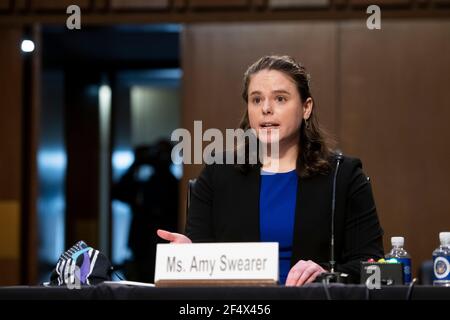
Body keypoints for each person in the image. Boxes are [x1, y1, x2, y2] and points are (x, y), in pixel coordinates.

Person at [157, 55, 384, 286]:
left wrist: (325, 274)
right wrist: (187, 257)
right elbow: (200, 258)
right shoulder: (218, 173)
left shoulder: (342, 175)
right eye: (256, 100)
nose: (266, 109)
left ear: (306, 108)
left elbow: (372, 264)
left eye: (280, 99)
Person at [113, 140, 178, 282]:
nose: (160, 158)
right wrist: (136, 164)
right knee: (139, 281)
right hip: (140, 241)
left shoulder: (174, 184)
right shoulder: (144, 183)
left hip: (163, 242)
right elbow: (118, 192)